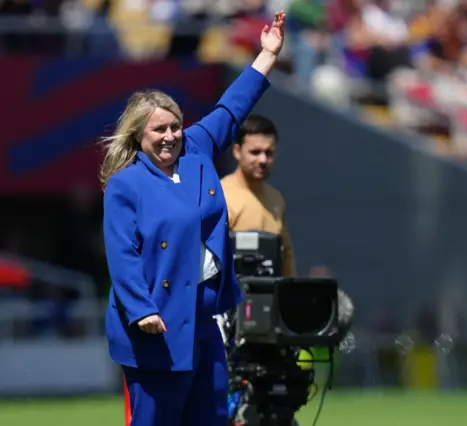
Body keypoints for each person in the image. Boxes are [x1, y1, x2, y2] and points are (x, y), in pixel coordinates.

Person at [101, 11, 286, 426]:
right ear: (138, 137)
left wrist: (266, 55)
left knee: (212, 418)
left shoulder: (196, 150)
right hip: (158, 324)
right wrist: (141, 310)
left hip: (206, 317)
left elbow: (232, 108)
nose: (170, 136)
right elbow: (121, 253)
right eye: (159, 130)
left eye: (176, 127)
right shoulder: (126, 185)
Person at [221, 115, 296, 277]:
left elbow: (287, 257)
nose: (263, 159)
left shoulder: (276, 199)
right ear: (237, 151)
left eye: (269, 153)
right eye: (255, 152)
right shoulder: (219, 196)